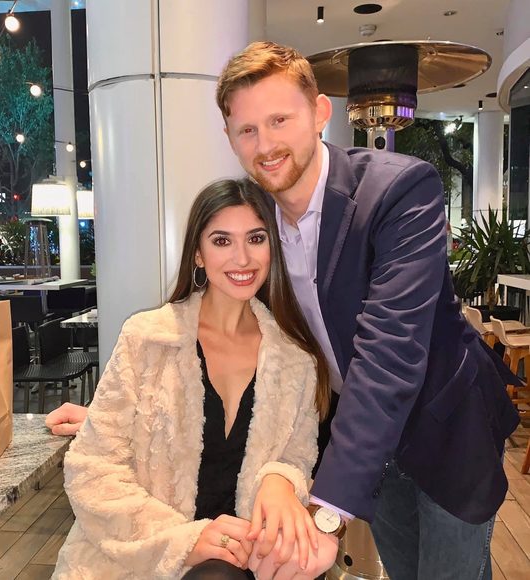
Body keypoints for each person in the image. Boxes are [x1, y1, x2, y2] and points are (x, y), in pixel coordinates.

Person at [212, 41, 520, 580]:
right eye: (247, 130)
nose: (265, 145)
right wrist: (134, 404)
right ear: (230, 138)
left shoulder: (400, 189)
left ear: (319, 113)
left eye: (280, 120)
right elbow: (224, 316)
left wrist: (327, 514)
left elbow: (390, 353)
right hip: (363, 441)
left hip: (446, 428)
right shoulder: (256, 220)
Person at [51, 178, 338, 580]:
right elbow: (93, 469)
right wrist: (184, 541)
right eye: (222, 241)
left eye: (256, 238)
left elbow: (297, 457)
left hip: (249, 556)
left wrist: (281, 478)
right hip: (146, 559)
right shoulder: (148, 339)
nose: (242, 258)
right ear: (198, 254)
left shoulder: (296, 359)